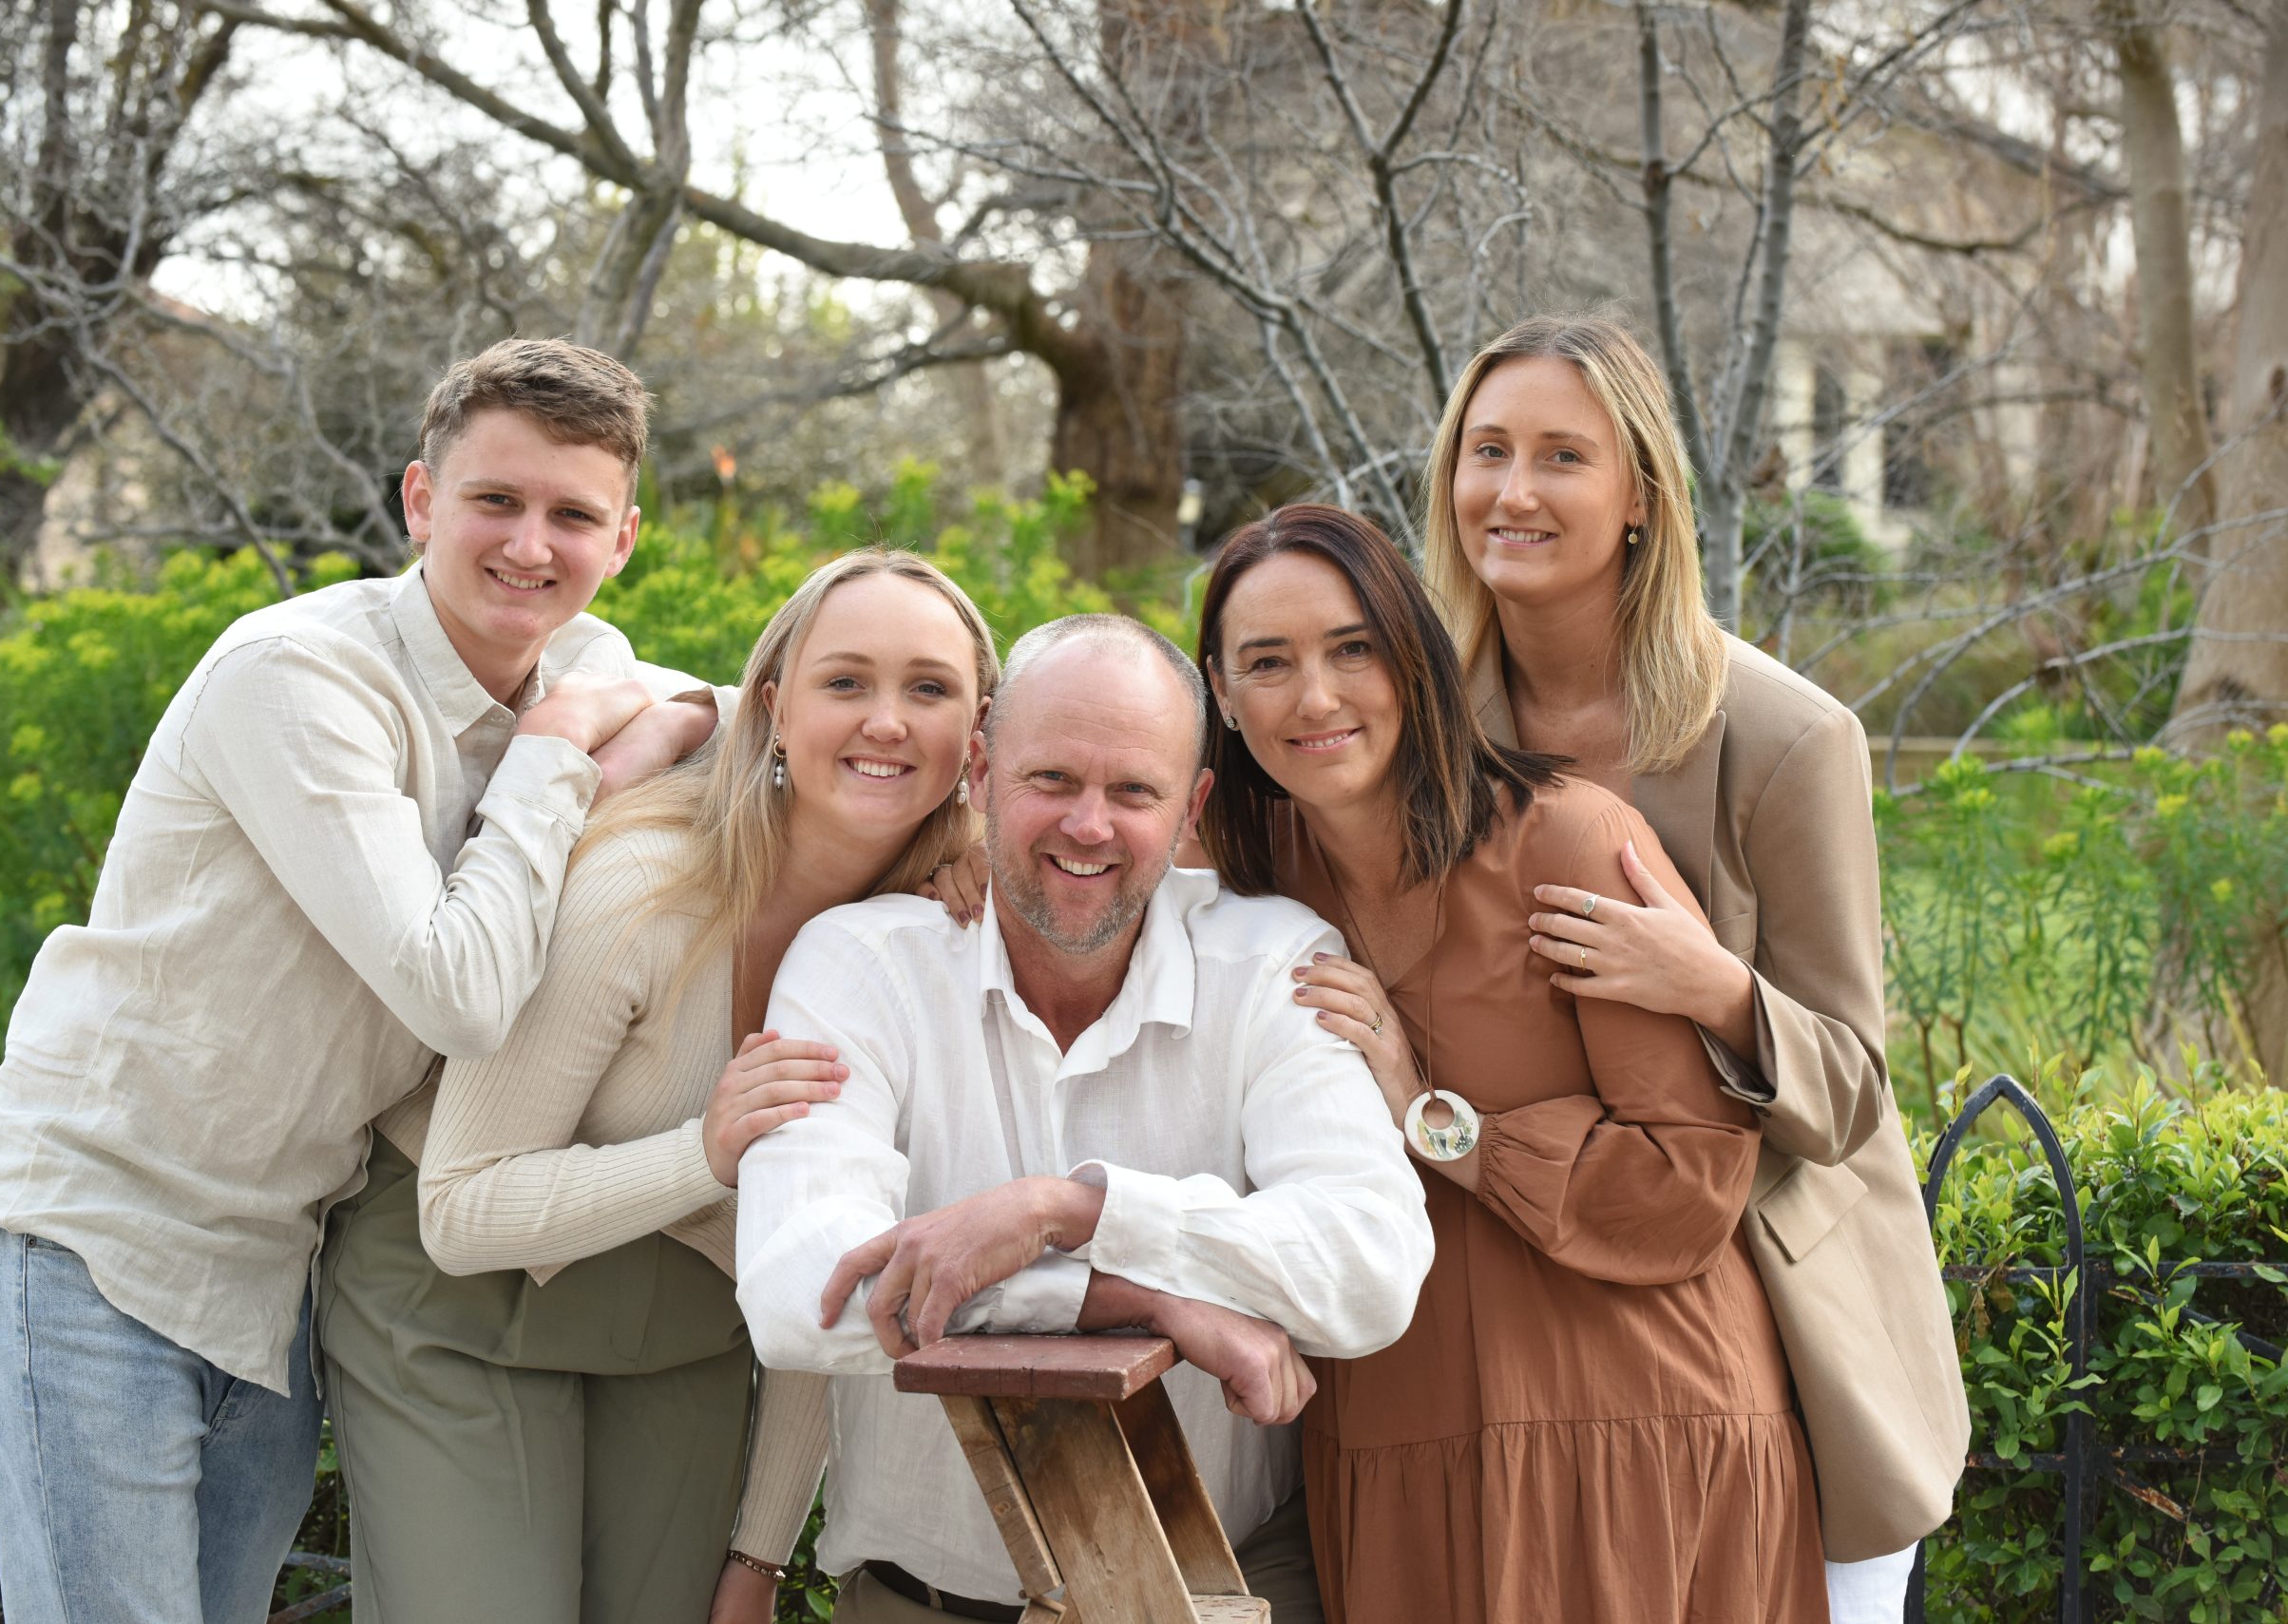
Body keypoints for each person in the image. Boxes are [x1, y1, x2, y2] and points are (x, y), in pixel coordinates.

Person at [0, 337, 718, 1624]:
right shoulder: (298, 676)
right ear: (420, 500)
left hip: (277, 1280)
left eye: (573, 515)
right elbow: (458, 994)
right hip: (95, 1244)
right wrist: (558, 754)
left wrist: (667, 728)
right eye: (496, 500)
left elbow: (757, 708)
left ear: (623, 538)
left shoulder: (584, 673)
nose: (531, 545)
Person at [319, 549, 1001, 1623]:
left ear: (980, 731)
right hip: (458, 1297)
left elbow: (834, 1263)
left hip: (686, 1327)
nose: (886, 721)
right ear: (773, 707)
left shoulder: (936, 937)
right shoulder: (642, 888)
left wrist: (761, 1555)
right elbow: (458, 1207)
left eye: (928, 688)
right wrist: (704, 1154)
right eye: (844, 681)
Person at [1193, 502, 1830, 1621]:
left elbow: (1689, 1178)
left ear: (1415, 658)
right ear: (1221, 691)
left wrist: (1426, 1113)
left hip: (1630, 1432)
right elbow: (1068, 841)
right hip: (1395, 1447)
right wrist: (956, 851)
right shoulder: (1248, 874)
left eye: (1352, 648)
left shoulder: (1565, 840)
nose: (1316, 697)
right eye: (1269, 662)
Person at [1423, 314, 1967, 1621]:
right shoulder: (1420, 726)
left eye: (1563, 456)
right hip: (1520, 1317)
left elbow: (1851, 1086)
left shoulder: (1784, 739)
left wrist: (1708, 981)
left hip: (1773, 1329)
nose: (1513, 490)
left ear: (1640, 497)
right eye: (1487, 451)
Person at [729, 614, 1432, 1623]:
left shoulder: (1275, 962)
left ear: (1191, 807)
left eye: (1134, 791)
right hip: (922, 1603)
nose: (1089, 825)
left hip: (1221, 1585)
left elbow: (1371, 1265)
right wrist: (1131, 1295)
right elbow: (802, 1289)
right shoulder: (857, 965)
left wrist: (1070, 1210)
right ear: (980, 772)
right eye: (1051, 779)